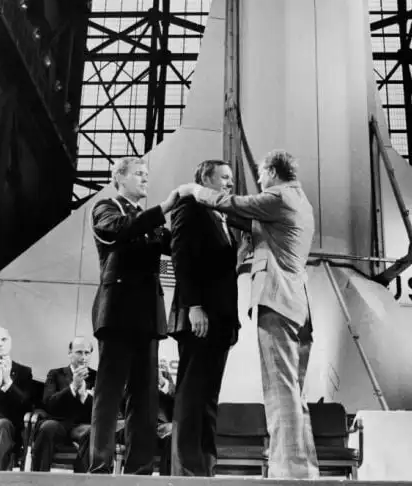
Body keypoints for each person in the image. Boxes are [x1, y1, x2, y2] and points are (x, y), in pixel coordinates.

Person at [179, 150, 319, 479]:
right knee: (293, 394)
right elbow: (248, 219)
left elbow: (238, 205)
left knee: (279, 390)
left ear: (272, 171)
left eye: (260, 174)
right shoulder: (299, 201)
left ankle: (288, 471)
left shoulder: (279, 195)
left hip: (278, 300)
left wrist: (195, 191)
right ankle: (301, 466)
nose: (258, 180)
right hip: (297, 303)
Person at [88, 156, 179, 475]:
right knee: (109, 393)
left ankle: (139, 471)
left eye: (146, 174)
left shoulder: (149, 219)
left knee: (145, 396)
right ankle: (99, 466)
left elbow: (174, 245)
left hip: (147, 316)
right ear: (119, 179)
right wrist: (164, 208)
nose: (144, 179)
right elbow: (118, 231)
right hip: (117, 312)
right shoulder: (105, 207)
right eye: (138, 174)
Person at [169, 159, 241, 476]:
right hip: (199, 316)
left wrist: (232, 321)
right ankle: (185, 468)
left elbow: (224, 273)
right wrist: (193, 306)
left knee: (210, 394)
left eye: (231, 178)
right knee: (192, 393)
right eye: (224, 177)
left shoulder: (223, 217)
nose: (229, 183)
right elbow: (181, 256)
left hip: (221, 320)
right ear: (205, 179)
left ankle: (205, 466)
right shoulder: (190, 207)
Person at [31, 336, 95, 472]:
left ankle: (81, 480)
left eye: (87, 353)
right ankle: (38, 479)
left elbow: (99, 409)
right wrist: (73, 387)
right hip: (58, 422)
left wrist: (84, 395)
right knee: (47, 427)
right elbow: (49, 404)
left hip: (82, 425)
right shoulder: (55, 374)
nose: (83, 357)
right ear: (69, 353)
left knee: (93, 432)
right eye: (79, 352)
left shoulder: (97, 377)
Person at [0, 326, 33, 470]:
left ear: (10, 342)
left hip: (6, 426)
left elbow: (26, 404)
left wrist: (8, 383)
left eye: (4, 339)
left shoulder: (24, 372)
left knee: (2, 425)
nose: (0, 343)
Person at [156, 357, 175, 475]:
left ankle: (167, 481)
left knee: (172, 439)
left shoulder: (169, 387)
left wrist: (162, 382)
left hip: (166, 433)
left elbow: (179, 409)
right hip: (141, 429)